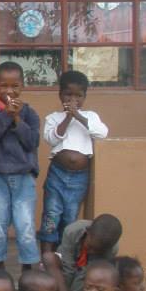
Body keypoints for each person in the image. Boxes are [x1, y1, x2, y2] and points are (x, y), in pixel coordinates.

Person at [0, 61, 40, 271]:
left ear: (22, 86)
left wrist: (17, 119)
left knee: (26, 226)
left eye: (15, 86)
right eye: (4, 86)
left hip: (24, 177)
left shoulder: (29, 113)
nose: (9, 91)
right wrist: (5, 116)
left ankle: (28, 267)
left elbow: (31, 142)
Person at [38, 70, 108, 253]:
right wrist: (68, 117)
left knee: (70, 217)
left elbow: (102, 133)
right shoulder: (53, 117)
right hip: (57, 174)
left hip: (79, 178)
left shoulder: (90, 117)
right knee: (51, 215)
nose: (73, 99)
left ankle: (63, 255)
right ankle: (45, 256)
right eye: (68, 94)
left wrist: (78, 116)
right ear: (60, 95)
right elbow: (52, 139)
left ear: (84, 97)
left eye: (78, 96)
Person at [42, 214, 122, 291]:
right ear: (87, 231)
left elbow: (88, 273)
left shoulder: (111, 249)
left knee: (92, 278)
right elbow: (68, 267)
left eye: (97, 251)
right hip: (66, 266)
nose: (91, 251)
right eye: (90, 246)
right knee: (49, 258)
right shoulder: (72, 231)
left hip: (86, 275)